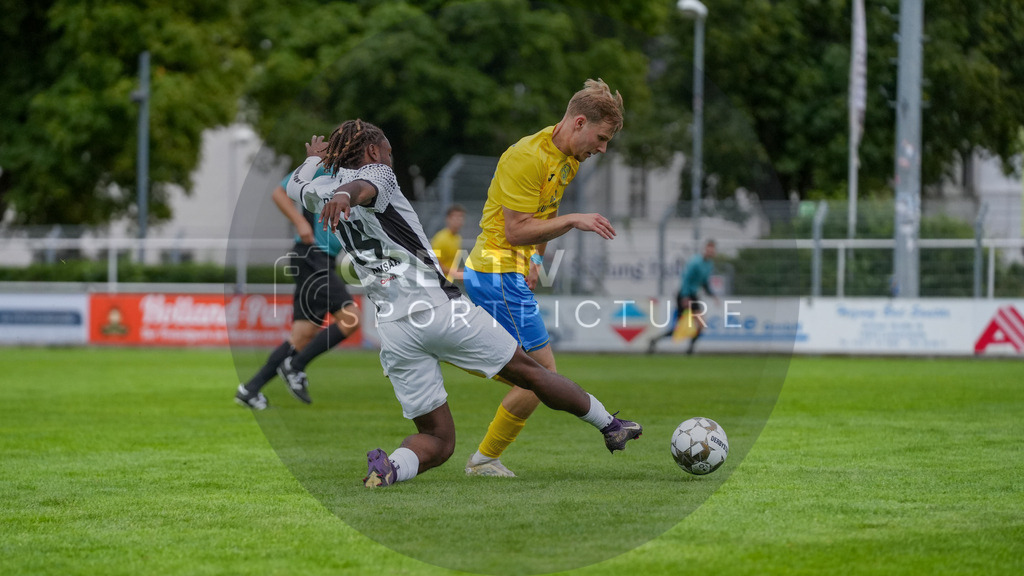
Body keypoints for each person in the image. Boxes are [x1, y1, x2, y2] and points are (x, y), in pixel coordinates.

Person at [287, 119, 642, 488]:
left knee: (439, 441)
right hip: (440, 311)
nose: (391, 160)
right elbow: (363, 186)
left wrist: (313, 161)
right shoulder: (379, 173)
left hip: (394, 329)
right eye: (390, 152)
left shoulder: (320, 190)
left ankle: (389, 468)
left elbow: (298, 187)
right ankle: (611, 425)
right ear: (375, 151)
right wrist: (347, 194)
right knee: (534, 373)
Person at [460, 79, 624, 477]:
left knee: (534, 376)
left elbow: (544, 217)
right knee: (542, 376)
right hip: (495, 271)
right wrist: (574, 220)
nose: (601, 149)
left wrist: (536, 261)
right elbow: (516, 230)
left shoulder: (567, 159)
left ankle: (485, 456)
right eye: (601, 138)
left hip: (508, 272)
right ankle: (484, 459)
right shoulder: (526, 157)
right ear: (579, 122)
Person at [234, 163, 361, 410]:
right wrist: (300, 224)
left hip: (318, 259)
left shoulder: (355, 176)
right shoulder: (325, 166)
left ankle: (249, 390)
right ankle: (295, 366)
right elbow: (279, 192)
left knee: (302, 336)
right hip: (312, 256)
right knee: (350, 318)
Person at [647, 239, 719, 355]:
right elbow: (685, 279)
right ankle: (656, 341)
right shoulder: (695, 262)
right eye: (708, 250)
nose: (710, 252)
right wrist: (685, 297)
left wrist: (713, 295)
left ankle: (686, 349)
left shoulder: (709, 264)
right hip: (684, 295)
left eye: (712, 250)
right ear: (705, 250)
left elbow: (705, 282)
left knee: (699, 325)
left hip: (693, 295)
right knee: (685, 326)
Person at [430, 204, 466, 281]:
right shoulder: (440, 239)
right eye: (455, 217)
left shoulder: (457, 238)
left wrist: (459, 273)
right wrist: (456, 273)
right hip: (438, 284)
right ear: (448, 219)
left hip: (448, 283)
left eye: (461, 217)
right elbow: (434, 264)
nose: (458, 220)